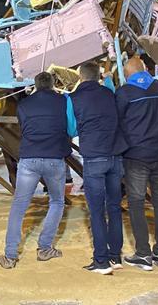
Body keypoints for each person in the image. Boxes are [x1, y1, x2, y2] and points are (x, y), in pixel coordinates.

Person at [0, 72, 72, 270]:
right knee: (57, 202)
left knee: (19, 206)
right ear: (53, 84)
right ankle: (45, 248)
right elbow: (69, 126)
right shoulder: (63, 101)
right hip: (55, 158)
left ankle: (10, 255)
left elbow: (24, 128)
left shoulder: (24, 105)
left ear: (36, 86)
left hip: (29, 158)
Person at [65, 62, 127, 274]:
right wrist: (108, 76)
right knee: (114, 207)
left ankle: (100, 261)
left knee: (96, 211)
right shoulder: (109, 93)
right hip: (116, 155)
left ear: (80, 77)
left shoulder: (72, 99)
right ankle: (115, 256)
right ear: (97, 77)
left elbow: (71, 128)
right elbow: (110, 86)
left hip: (94, 158)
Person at [116, 57, 158, 271]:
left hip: (137, 155)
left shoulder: (125, 92)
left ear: (127, 73)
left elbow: (117, 119)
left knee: (136, 202)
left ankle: (143, 253)